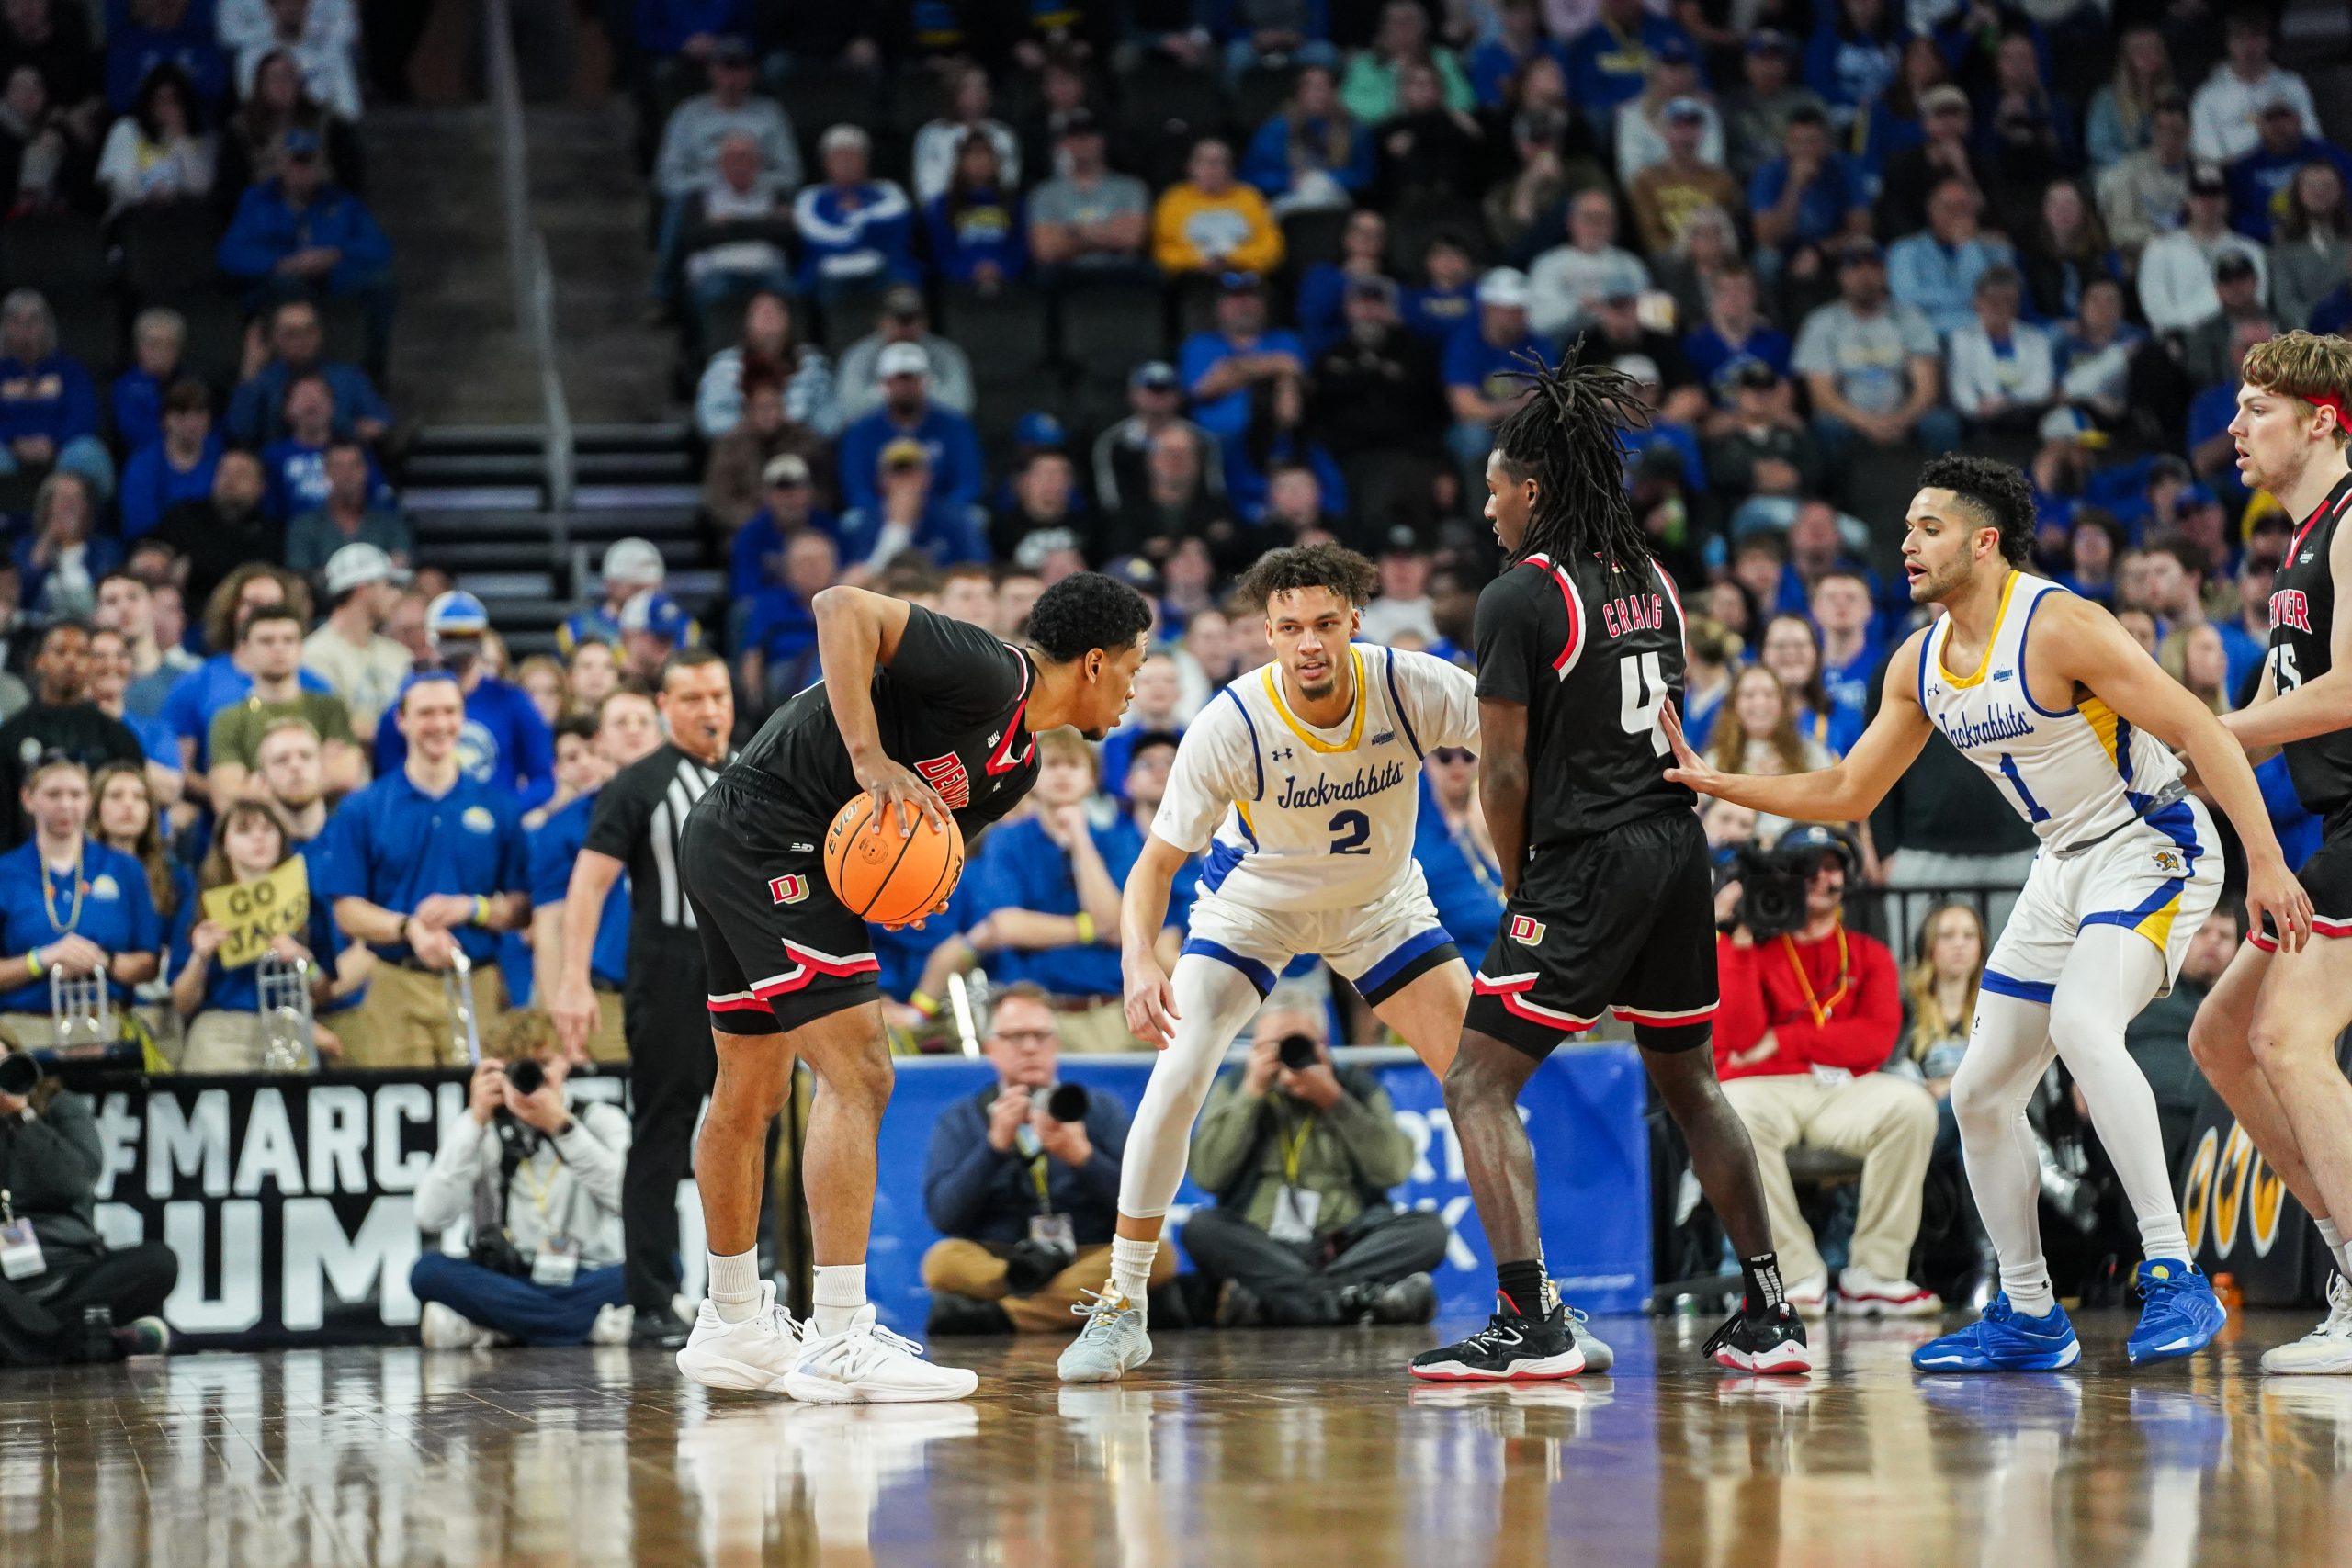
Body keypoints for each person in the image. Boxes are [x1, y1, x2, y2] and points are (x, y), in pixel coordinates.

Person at [1661, 453, 2310, 1373]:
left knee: (2086, 1027)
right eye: (1905, 528)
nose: (1906, 543)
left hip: (2149, 840)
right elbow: (1850, 789)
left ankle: (2173, 1272)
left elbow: (2198, 728)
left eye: (1927, 528)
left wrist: (2269, 860)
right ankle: (2029, 1312)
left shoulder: (2059, 625)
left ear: (1982, 540)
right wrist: (1720, 781)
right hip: (2059, 865)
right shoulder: (1918, 661)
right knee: (1976, 1092)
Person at [1408, 350, 1806, 1381]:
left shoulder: (1517, 596)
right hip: (1674, 847)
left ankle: (1526, 1320)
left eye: (1496, 487)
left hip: (1587, 858)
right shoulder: (1651, 577)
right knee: (1688, 1080)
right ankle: (1770, 1311)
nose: (1487, 506)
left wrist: (1518, 880)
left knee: (1477, 1083)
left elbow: (1499, 775)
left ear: (1531, 489)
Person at [668, 572, 1149, 1402]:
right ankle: (841, 1334)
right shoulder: (992, 671)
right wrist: (869, 758)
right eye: (1137, 667)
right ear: (1096, 662)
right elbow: (839, 607)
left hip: (747, 846)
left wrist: (915, 891)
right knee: (860, 1072)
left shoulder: (1020, 766)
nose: (1138, 689)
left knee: (749, 1087)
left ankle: (732, 1319)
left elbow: (910, 855)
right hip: (768, 833)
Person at [1057, 545, 1510, 1383]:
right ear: (1266, 633)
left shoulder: (1414, 684)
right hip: (1253, 908)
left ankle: (1531, 1305)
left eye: (1326, 624)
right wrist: (1135, 961)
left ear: (1354, 624)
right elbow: (1153, 867)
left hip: (1379, 905)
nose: (1310, 642)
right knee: (1180, 1069)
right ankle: (1123, 1306)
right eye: (1292, 626)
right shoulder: (1231, 721)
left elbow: (1520, 739)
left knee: (1483, 1078)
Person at [2184, 332, 2352, 1376]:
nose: (2233, 430)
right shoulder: (2297, 546)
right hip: (2336, 829)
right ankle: (2344, 1252)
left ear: (2323, 418)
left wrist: (2209, 733)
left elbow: (2342, 697)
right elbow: (2259, 714)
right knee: (2220, 1035)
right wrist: (2164, 761)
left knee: (2287, 1038)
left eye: (2255, 410)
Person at [551, 649, 734, 1348]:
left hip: (746, 965)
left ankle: (743, 1288)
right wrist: (572, 981)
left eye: (717, 693)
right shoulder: (639, 783)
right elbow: (589, 884)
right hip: (667, 966)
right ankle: (652, 1297)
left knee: (753, 1123)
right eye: (692, 698)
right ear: (665, 704)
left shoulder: (750, 767)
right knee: (663, 1128)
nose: (709, 709)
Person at [1713, 823, 1939, 1315]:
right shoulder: (1748, 945)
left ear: (1845, 879)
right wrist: (1738, 943)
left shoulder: (1869, 954)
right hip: (1762, 1090)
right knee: (1736, 1115)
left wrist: (1785, 1040)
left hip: (1840, 1090)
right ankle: (1793, 1276)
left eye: (1830, 868)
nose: (1819, 880)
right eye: (1805, 870)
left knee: (1910, 1104)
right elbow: (1740, 1041)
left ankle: (1875, 1274)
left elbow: (1874, 1042)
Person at [1183, 990, 1444, 1327]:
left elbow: (1393, 1170)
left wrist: (1335, 1100)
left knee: (1429, 1230)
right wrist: (1251, 1094)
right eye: (1273, 1047)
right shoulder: (1236, 1087)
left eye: (1298, 1044)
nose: (1287, 1056)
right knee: (1201, 1228)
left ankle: (1284, 1303)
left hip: (1346, 1244)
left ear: (1322, 1044)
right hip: (1266, 1246)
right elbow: (1207, 1175)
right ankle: (1350, 1299)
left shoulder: (1355, 1087)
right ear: (1256, 1047)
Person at [920, 982, 1159, 1336]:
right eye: (1015, 1037)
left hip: (1085, 1253)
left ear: (1056, 1044)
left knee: (1158, 1257)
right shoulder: (962, 1117)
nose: (1030, 1047)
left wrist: (1083, 1158)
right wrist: (993, 1148)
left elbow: (1143, 1206)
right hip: (1003, 1258)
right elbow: (945, 1216)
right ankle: (1062, 1306)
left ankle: (1007, 1315)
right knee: (941, 1261)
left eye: (1040, 1035)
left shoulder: (1097, 1108)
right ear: (992, 1049)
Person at [318, 672, 531, 1068]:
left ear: (463, 718)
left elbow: (521, 907)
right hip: (395, 981)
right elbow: (346, 911)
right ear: (401, 721)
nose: (440, 724)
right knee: (399, 1112)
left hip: (477, 981)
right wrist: (408, 928)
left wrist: (473, 908)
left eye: (450, 712)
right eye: (426, 713)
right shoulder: (364, 807)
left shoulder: (500, 806)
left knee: (479, 1106)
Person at [410, 1010, 634, 1349]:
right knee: (427, 1271)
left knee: (659, 1268)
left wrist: (562, 1126)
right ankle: (587, 1327)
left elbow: (630, 1203)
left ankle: (499, 1328)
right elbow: (430, 1216)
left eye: (543, 1064)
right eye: (518, 1070)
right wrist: (474, 1120)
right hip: (509, 1275)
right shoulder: (481, 1129)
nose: (532, 1079)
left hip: (588, 1272)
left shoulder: (601, 1120)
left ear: (566, 1062)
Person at [0, 1037, 175, 1362]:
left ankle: (32, 1341)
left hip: (71, 1272)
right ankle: (95, 1343)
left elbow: (75, 1181)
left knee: (159, 1262)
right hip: (5, 1288)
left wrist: (20, 1117)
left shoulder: (57, 1104)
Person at [168, 799, 352, 1070]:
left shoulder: (307, 899)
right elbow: (182, 1003)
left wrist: (303, 961)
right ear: (224, 845)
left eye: (268, 829)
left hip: (289, 1027)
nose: (258, 838)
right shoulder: (201, 903)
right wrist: (199, 957)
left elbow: (324, 989)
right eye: (244, 831)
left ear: (281, 838)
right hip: (221, 1034)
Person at [528, 688, 659, 1065]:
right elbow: (549, 927)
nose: (633, 732)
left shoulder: (696, 805)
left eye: (642, 723)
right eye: (622, 723)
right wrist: (561, 1022)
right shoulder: (562, 828)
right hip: (605, 1000)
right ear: (603, 742)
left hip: (687, 993)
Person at [0, 757, 162, 1046]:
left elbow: (148, 963)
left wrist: (103, 960)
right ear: (28, 799)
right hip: (24, 1024)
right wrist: (42, 959)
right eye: (53, 794)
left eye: (76, 794)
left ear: (89, 801)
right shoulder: (6, 871)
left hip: (104, 1020)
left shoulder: (124, 868)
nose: (66, 805)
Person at [372, 592, 555, 809]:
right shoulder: (409, 707)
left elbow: (543, 779)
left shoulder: (512, 701)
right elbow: (387, 781)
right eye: (451, 638)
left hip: (492, 827)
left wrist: (503, 812)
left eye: (468, 637)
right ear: (432, 638)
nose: (460, 651)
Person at [0, 623, 144, 848]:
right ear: (40, 661)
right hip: (24, 862)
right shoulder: (11, 735)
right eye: (60, 651)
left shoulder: (116, 736)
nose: (71, 661)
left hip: (102, 861)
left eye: (82, 653)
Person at [204, 604, 362, 804]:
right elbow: (226, 794)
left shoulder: (329, 707)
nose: (279, 648)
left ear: (301, 648)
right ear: (244, 651)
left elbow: (348, 776)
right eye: (266, 641)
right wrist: (318, 765)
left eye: (289, 640)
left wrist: (260, 782)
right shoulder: (229, 719)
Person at [301, 542, 412, 745]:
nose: (395, 596)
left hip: (395, 770)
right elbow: (331, 726)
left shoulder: (398, 654)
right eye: (387, 585)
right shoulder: (314, 654)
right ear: (363, 589)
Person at [1150, 137, 1282, 278]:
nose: (1212, 168)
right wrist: (1198, 261)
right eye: (1204, 161)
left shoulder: (1249, 197)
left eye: (1219, 162)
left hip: (1244, 275)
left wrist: (1233, 259)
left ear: (1230, 168)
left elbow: (1270, 247)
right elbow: (1163, 249)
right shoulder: (1174, 198)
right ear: (1190, 167)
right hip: (1191, 276)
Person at [284, 437, 413, 578]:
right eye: (339, 466)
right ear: (326, 471)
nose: (347, 473)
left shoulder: (392, 522)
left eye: (354, 465)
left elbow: (402, 563)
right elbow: (299, 574)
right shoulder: (304, 525)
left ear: (365, 470)